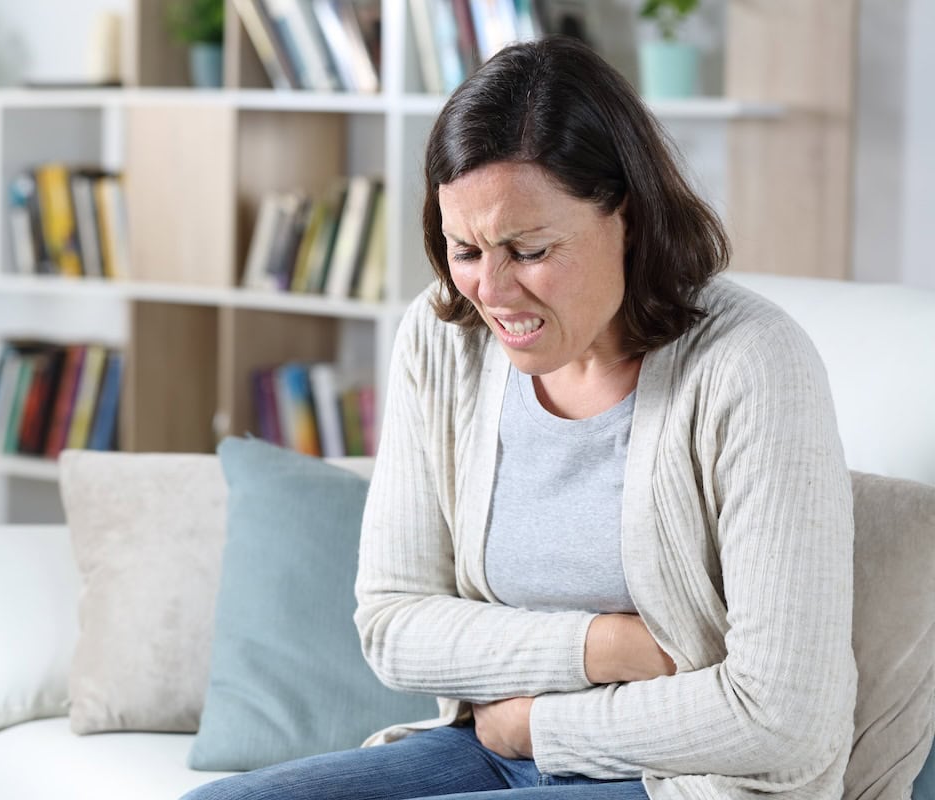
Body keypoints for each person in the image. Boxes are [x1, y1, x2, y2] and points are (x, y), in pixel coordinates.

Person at [183, 35, 855, 800]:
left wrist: (539, 726)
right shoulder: (441, 340)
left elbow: (784, 715)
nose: (492, 293)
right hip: (492, 754)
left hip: (688, 777)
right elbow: (393, 627)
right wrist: (607, 645)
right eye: (464, 249)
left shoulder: (751, 363)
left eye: (529, 250)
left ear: (629, 218)